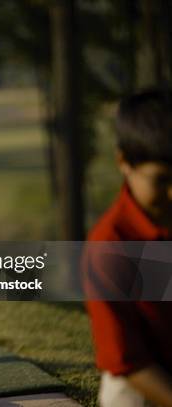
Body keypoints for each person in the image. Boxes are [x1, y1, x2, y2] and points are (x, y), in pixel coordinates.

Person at [83, 89, 172, 407]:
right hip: (140, 391)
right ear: (124, 162)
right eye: (161, 181)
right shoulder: (109, 246)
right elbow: (127, 360)